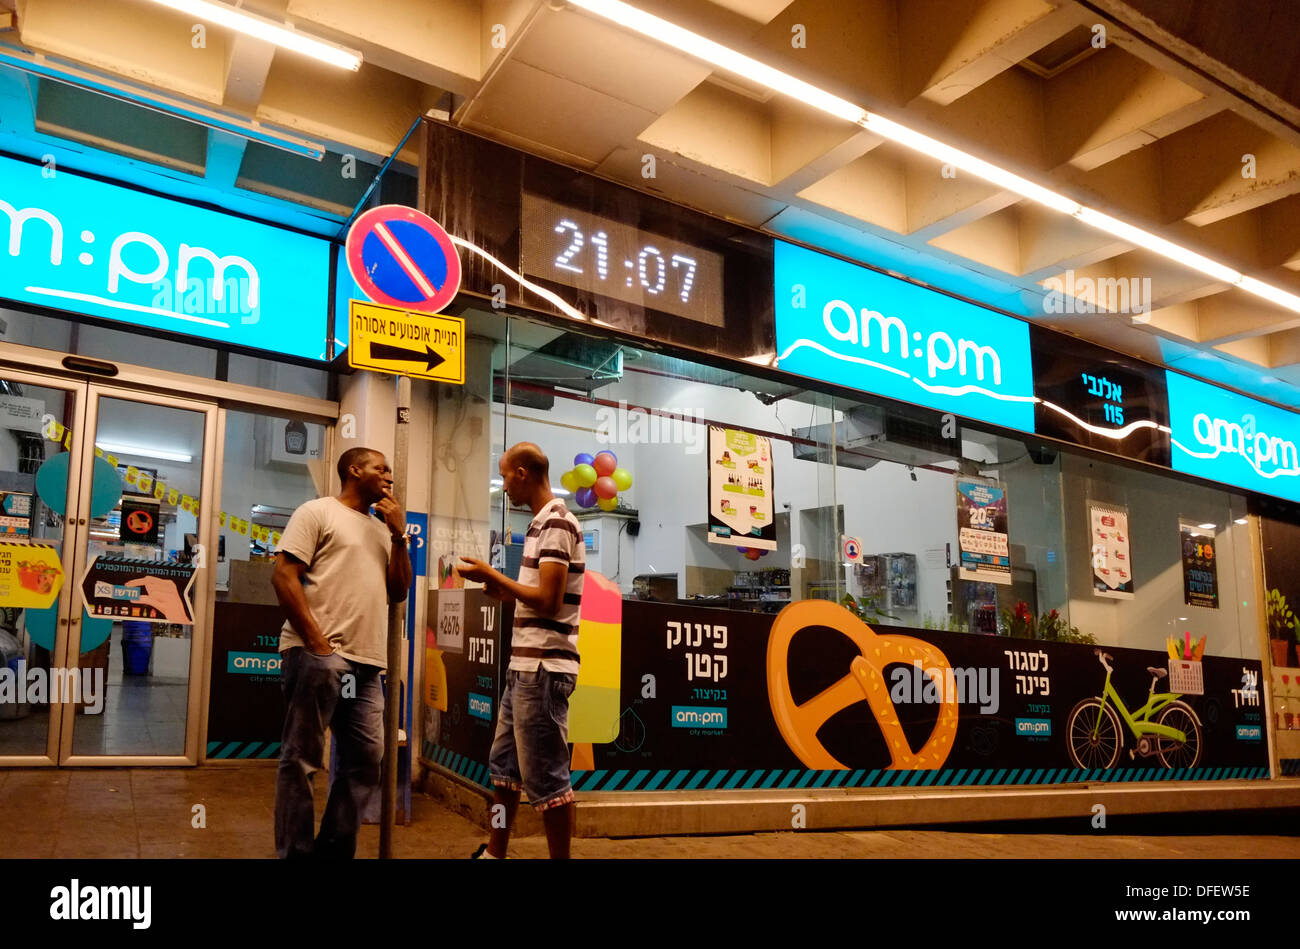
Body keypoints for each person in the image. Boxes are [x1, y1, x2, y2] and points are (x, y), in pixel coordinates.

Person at [271, 446, 412, 859]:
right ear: (354, 470)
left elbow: (398, 591)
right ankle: (295, 854)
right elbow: (284, 576)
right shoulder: (317, 512)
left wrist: (399, 536)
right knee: (301, 760)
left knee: (366, 761)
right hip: (319, 656)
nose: (389, 476)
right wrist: (317, 643)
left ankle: (332, 852)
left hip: (366, 666)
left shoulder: (381, 531)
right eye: (381, 468)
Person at [458, 442, 584, 859]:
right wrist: (506, 591)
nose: (504, 485)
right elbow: (541, 597)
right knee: (504, 771)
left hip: (543, 669)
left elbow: (549, 601)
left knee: (548, 781)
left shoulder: (557, 523)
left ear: (523, 474)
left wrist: (494, 575)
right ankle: (495, 853)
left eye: (505, 475)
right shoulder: (538, 525)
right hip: (525, 667)